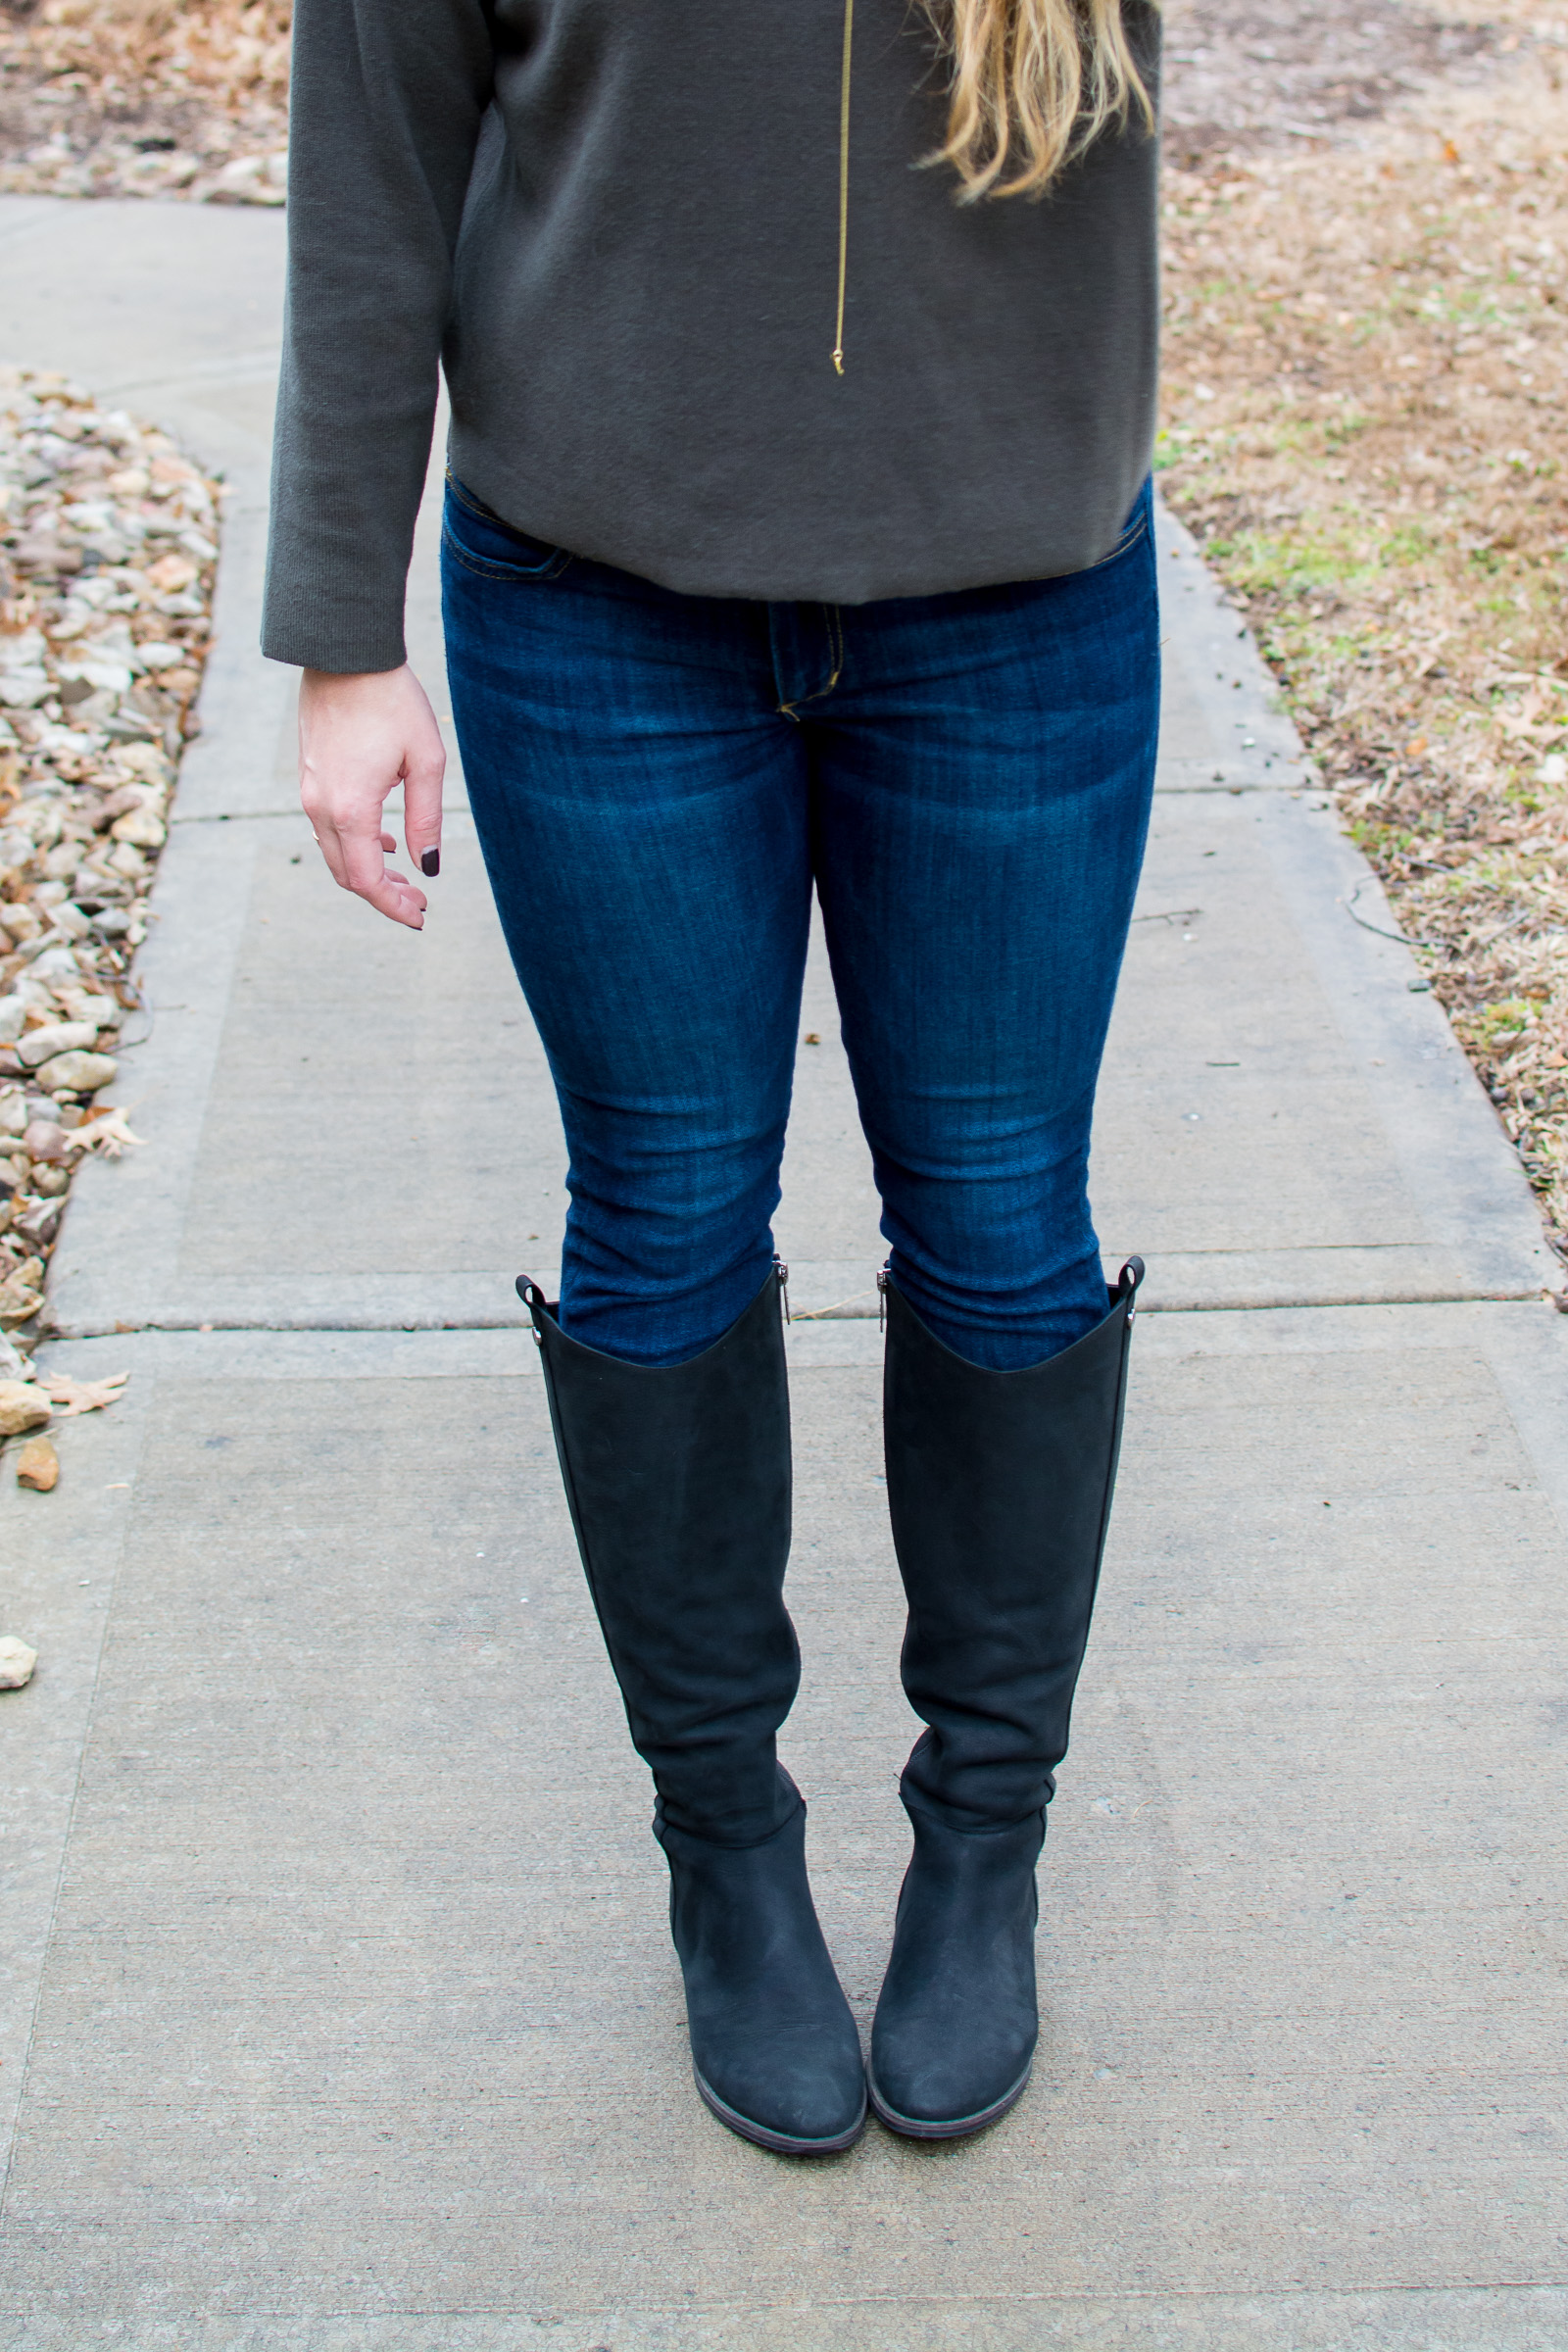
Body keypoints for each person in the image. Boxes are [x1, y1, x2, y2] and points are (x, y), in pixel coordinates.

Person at [266, 0, 1159, 2157]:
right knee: (661, 1214)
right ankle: (724, 1856)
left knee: (997, 1223)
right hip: (597, 601)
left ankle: (982, 1841)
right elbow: (373, 162)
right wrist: (339, 639)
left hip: (1015, 601)